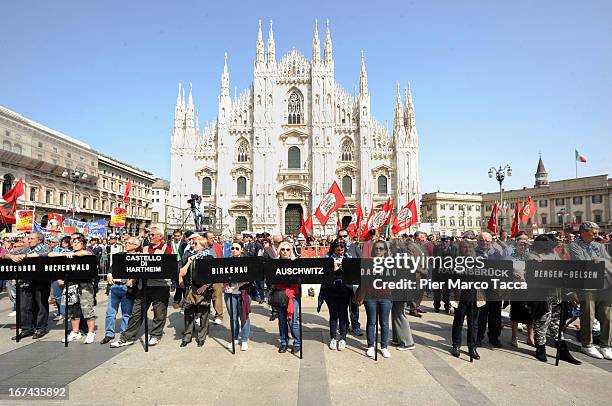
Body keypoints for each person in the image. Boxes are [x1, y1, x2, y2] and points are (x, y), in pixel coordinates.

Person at [111, 226, 174, 348]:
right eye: (149, 235)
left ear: (160, 237)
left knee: (159, 312)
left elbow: (166, 266)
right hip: (143, 285)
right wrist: (133, 277)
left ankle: (155, 335)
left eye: (152, 235)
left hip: (160, 286)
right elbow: (136, 264)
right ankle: (127, 337)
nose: (149, 237)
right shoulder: (144, 248)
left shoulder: (167, 249)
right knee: (137, 312)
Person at [529, 234, 582, 364]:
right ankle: (540, 348)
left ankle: (562, 351)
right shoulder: (533, 257)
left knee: (556, 324)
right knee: (542, 322)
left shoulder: (553, 254)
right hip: (541, 296)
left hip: (556, 294)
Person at [569, 222, 612, 360]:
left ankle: (605, 345)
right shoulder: (574, 246)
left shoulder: (599, 246)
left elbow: (608, 262)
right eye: (594, 232)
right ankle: (587, 344)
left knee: (607, 316)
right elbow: (582, 263)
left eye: (597, 232)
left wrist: (599, 261)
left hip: (604, 284)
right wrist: (598, 261)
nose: (596, 235)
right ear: (583, 232)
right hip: (586, 284)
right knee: (588, 315)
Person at [49, 233, 97, 343]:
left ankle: (90, 332)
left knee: (87, 309)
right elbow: (51, 254)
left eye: (77, 242)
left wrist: (74, 254)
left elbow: (85, 253)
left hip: (84, 285)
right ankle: (75, 332)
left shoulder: (88, 252)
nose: (75, 244)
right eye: (73, 242)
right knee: (72, 310)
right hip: (71, 285)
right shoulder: (69, 252)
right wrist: (67, 254)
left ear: (83, 243)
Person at [6, 232, 52, 340]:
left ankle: (41, 327)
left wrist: (25, 256)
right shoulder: (26, 249)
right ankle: (27, 328)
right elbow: (5, 254)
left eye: (32, 238)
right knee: (24, 306)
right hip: (27, 281)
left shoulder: (46, 247)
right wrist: (12, 256)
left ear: (39, 240)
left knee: (41, 305)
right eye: (29, 238)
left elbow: (42, 255)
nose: (29, 240)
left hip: (41, 281)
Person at [449, 240, 485, 360]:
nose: (467, 249)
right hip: (461, 296)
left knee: (473, 324)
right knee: (458, 322)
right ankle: (456, 345)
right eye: (464, 247)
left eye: (470, 247)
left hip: (476, 295)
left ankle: (472, 347)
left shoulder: (479, 261)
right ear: (461, 249)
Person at [99, 237, 138, 344]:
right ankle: (109, 334)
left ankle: (124, 334)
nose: (126, 244)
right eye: (126, 242)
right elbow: (112, 267)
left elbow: (139, 271)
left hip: (127, 287)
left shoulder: (138, 258)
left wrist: (133, 279)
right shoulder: (120, 255)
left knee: (126, 313)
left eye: (129, 243)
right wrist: (109, 274)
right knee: (110, 312)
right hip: (115, 286)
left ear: (135, 246)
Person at [178, 236, 214, 347]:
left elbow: (212, 274)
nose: (193, 245)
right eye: (192, 244)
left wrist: (206, 286)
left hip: (204, 289)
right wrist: (188, 263)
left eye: (196, 244)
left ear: (203, 246)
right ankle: (187, 336)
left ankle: (201, 337)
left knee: (204, 314)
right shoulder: (189, 256)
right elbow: (182, 272)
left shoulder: (208, 258)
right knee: (188, 313)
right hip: (191, 288)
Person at [362, 240, 393, 358]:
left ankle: (384, 346)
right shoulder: (368, 262)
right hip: (371, 296)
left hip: (385, 296)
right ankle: (370, 346)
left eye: (381, 249)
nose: (378, 251)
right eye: (376, 249)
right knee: (371, 322)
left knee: (384, 323)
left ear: (385, 250)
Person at [321, 239, 352, 351]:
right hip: (331, 289)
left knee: (343, 314)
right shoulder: (327, 258)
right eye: (338, 250)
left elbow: (354, 272)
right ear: (333, 249)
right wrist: (333, 269)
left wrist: (347, 268)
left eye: (342, 250)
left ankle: (343, 338)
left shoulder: (348, 257)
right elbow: (322, 272)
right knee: (333, 314)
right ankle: (333, 338)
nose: (340, 252)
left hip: (344, 289)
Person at [475, 232, 504, 348]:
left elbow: (503, 271)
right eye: (482, 240)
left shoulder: (497, 254)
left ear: (491, 241)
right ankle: (478, 337)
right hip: (480, 289)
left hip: (495, 290)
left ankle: (494, 337)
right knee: (480, 315)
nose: (485, 242)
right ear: (478, 241)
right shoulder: (472, 254)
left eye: (487, 240)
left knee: (495, 315)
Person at [273, 241, 301, 354]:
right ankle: (284, 342)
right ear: (279, 250)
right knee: (282, 321)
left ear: (291, 251)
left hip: (292, 296)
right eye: (283, 249)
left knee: (292, 322)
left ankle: (297, 342)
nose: (285, 251)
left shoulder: (295, 263)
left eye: (287, 249)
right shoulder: (274, 264)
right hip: (279, 295)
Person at [224, 240, 252, 351]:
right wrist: (225, 285)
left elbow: (249, 278)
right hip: (229, 294)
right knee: (233, 318)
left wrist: (235, 287)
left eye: (237, 248)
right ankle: (235, 338)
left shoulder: (246, 262)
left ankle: (244, 339)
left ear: (241, 250)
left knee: (244, 317)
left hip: (242, 293)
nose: (234, 250)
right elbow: (222, 275)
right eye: (232, 248)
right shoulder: (227, 261)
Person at [508, 234, 535, 348]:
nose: (523, 246)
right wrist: (512, 274)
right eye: (521, 244)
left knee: (530, 313)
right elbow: (504, 269)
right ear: (516, 244)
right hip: (516, 287)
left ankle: (530, 337)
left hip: (530, 287)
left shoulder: (530, 255)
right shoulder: (511, 256)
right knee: (516, 311)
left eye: (525, 244)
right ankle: (514, 336)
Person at [336, 229, 363, 337]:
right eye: (340, 236)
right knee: (342, 307)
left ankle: (355, 326)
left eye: (345, 236)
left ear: (348, 236)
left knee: (354, 307)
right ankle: (345, 326)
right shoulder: (335, 247)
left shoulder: (354, 247)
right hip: (340, 282)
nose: (343, 238)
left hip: (353, 283)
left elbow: (361, 261)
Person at [205, 231, 223, 324]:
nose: (213, 239)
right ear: (206, 239)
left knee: (217, 295)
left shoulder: (217, 246)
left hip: (216, 275)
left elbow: (221, 259)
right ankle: (204, 314)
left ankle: (219, 315)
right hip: (205, 276)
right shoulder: (202, 246)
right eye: (211, 238)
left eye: (214, 237)